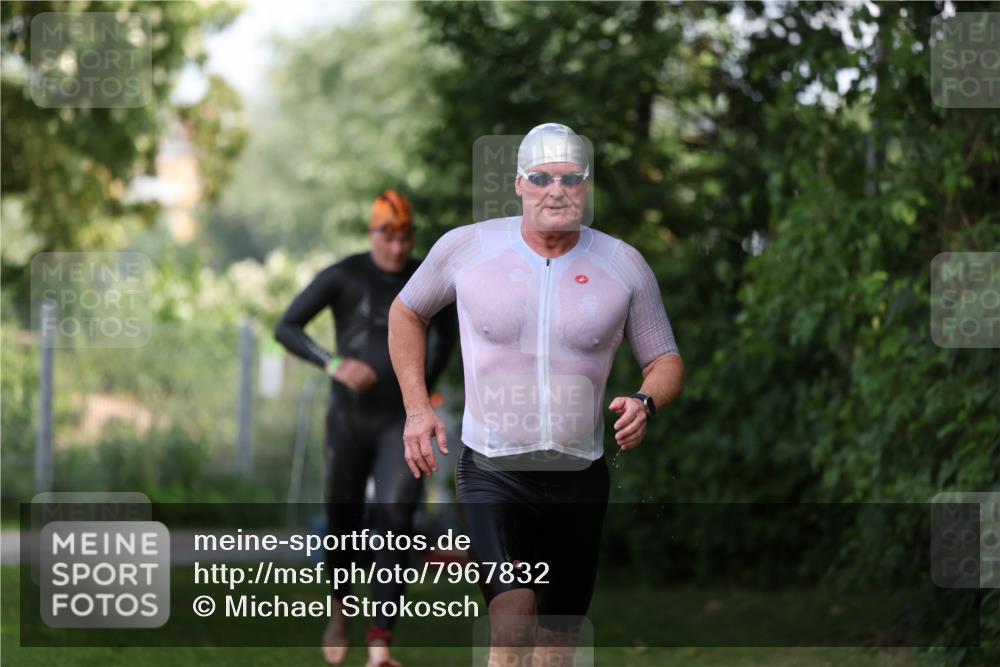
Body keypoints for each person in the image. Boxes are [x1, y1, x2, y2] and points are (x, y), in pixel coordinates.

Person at [388, 122, 684, 666]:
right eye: (542, 177)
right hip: (492, 470)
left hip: (580, 475)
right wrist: (415, 409)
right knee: (513, 619)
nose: (557, 190)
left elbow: (665, 359)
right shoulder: (467, 249)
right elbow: (407, 311)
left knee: (556, 649)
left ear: (586, 186)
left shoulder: (621, 264)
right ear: (519, 184)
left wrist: (645, 401)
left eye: (571, 178)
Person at [275, 189, 457, 667]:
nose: (397, 248)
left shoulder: (427, 278)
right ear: (371, 233)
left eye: (405, 237)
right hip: (348, 418)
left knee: (397, 519)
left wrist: (421, 393)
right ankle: (339, 611)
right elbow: (287, 327)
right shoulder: (345, 274)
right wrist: (333, 363)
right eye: (387, 236)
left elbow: (449, 340)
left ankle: (380, 641)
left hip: (400, 420)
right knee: (343, 520)